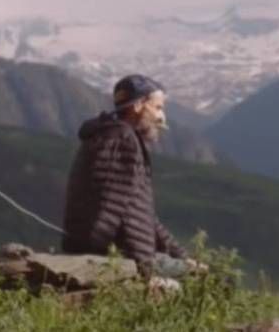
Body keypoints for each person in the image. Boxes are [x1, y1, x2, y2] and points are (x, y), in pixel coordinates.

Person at [60, 74, 193, 280]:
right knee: (211, 277)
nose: (162, 117)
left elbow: (142, 213)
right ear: (138, 106)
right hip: (112, 255)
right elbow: (117, 210)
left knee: (192, 268)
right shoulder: (122, 140)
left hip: (107, 250)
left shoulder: (109, 134)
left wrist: (182, 256)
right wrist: (146, 268)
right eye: (157, 108)